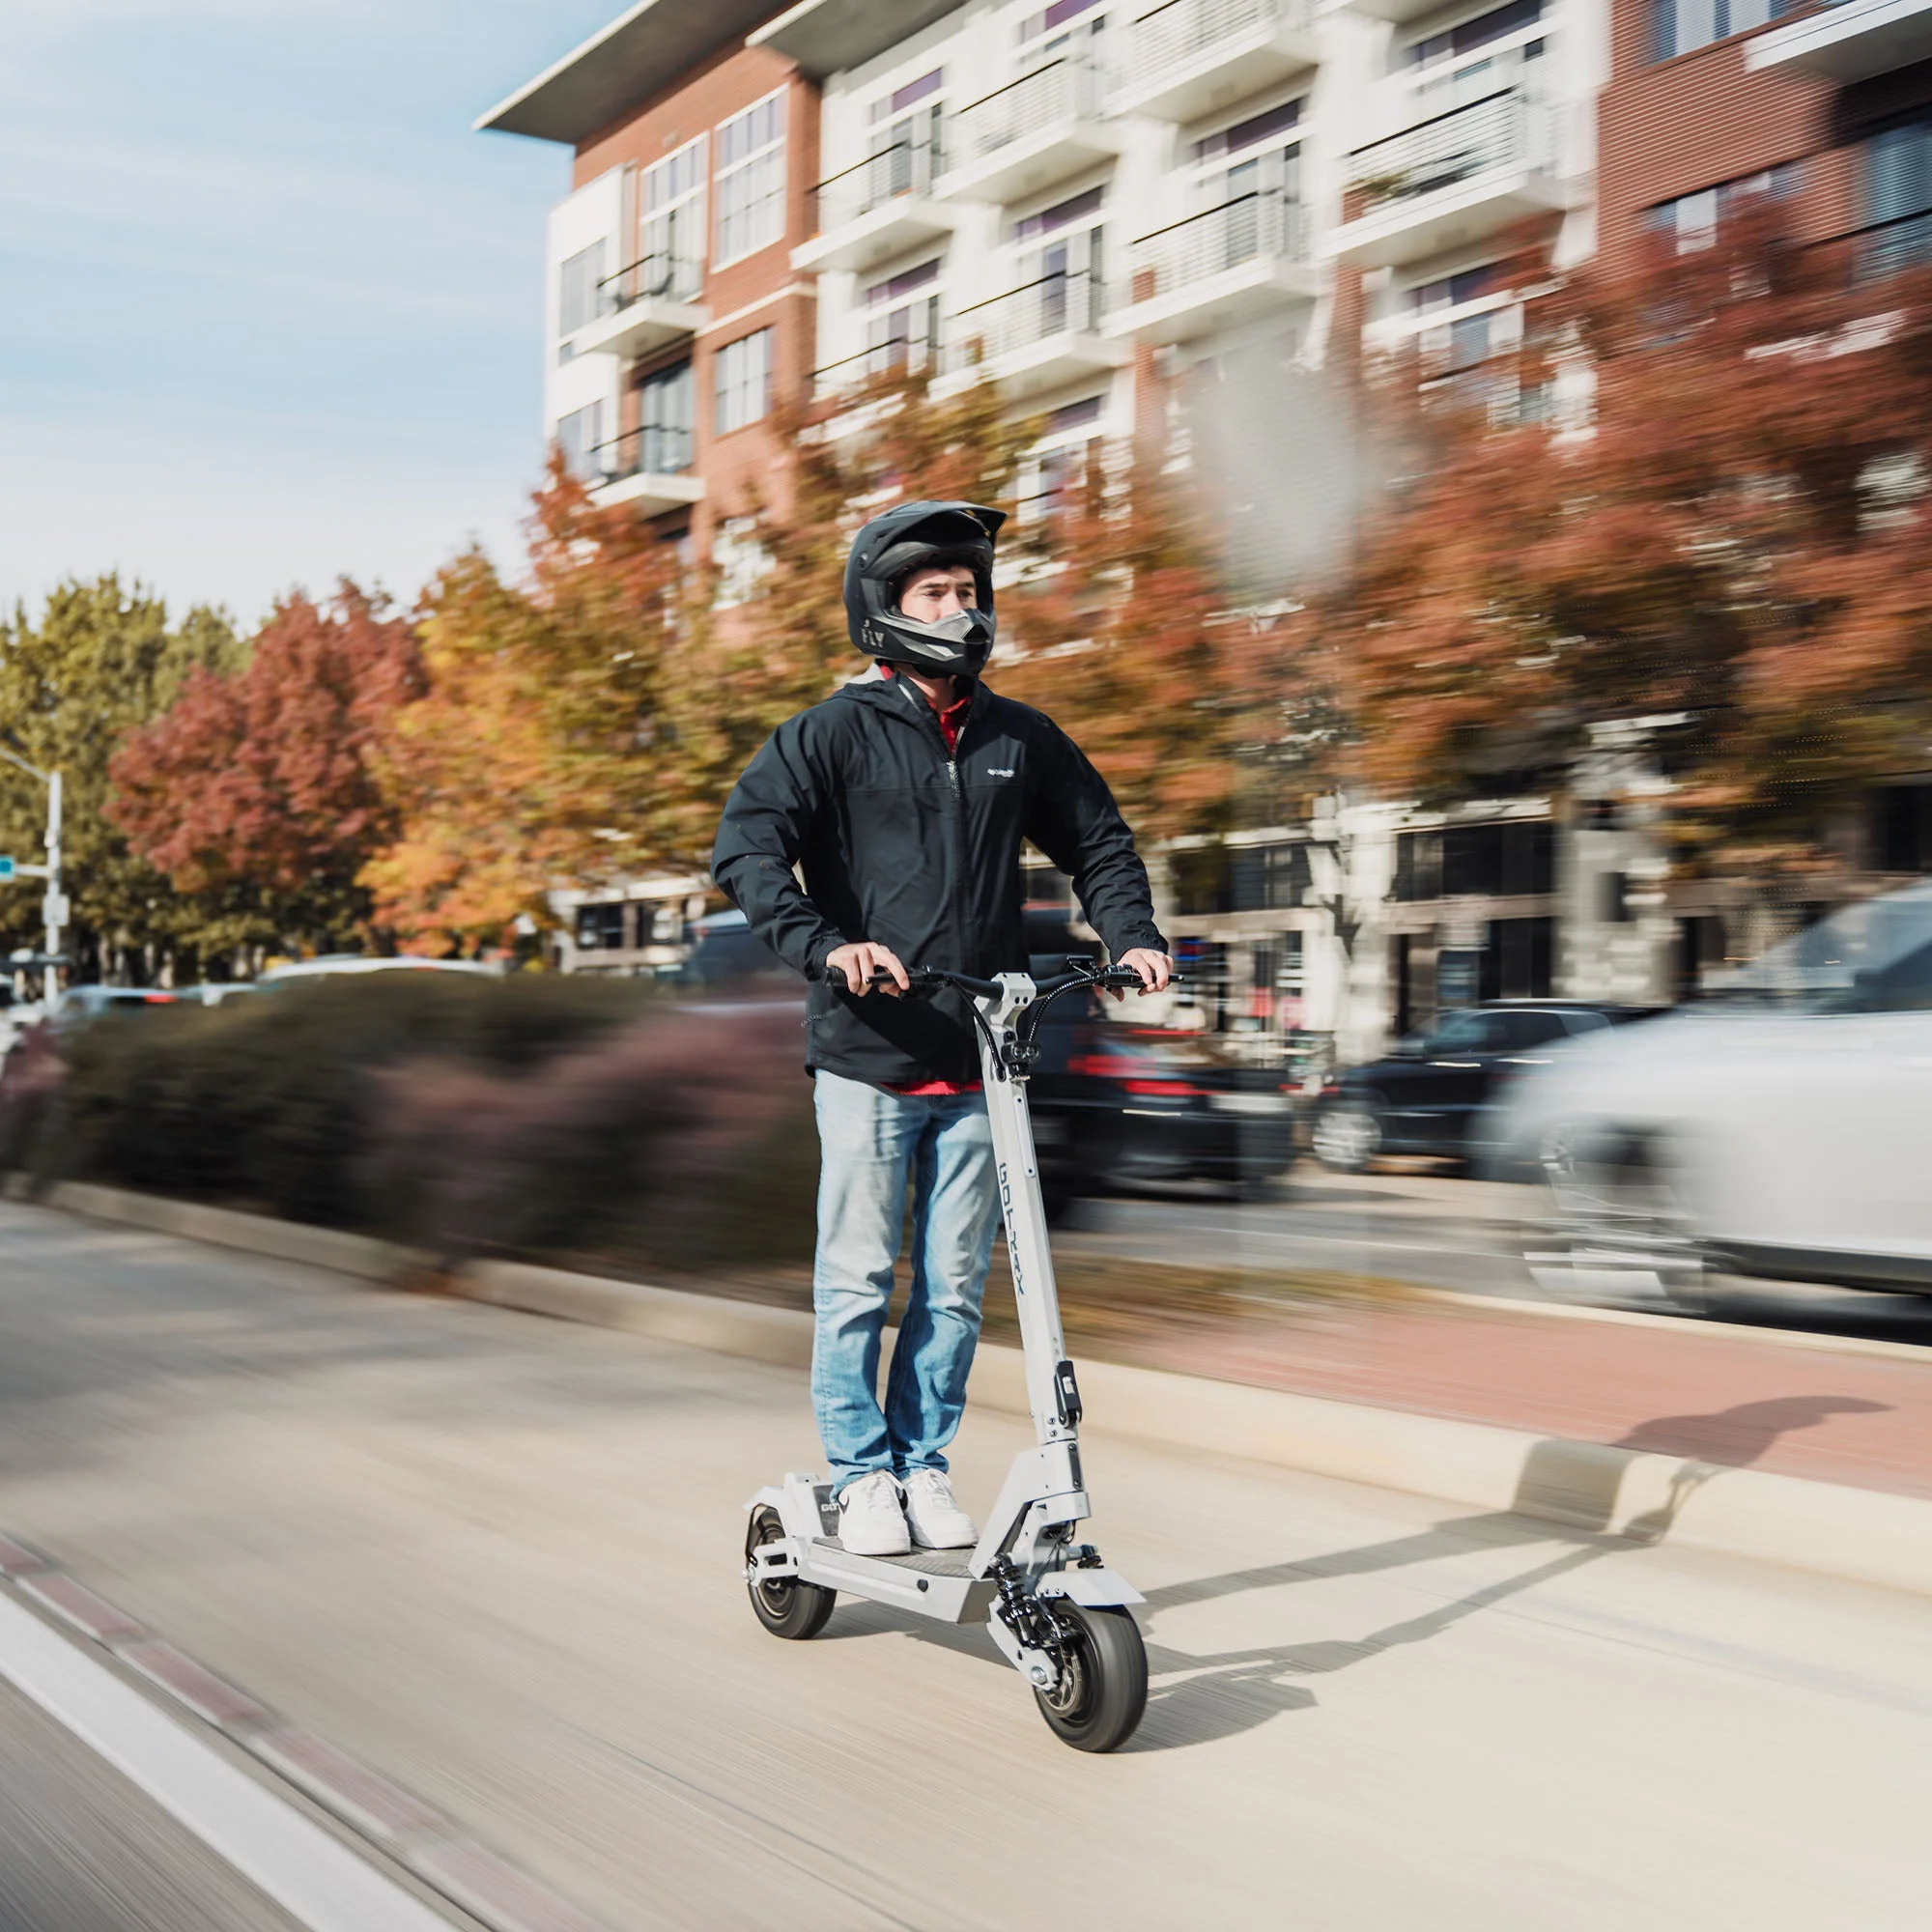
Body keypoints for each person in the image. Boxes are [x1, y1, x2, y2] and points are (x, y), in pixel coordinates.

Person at [711, 500, 1172, 1557]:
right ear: (884, 606)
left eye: (970, 592)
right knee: (861, 1278)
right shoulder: (827, 734)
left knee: (956, 1284)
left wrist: (1132, 931)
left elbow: (1099, 842)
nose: (961, 610)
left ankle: (923, 1465)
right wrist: (824, 943)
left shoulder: (1020, 738)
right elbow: (745, 849)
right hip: (869, 1057)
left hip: (979, 1058)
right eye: (937, 592)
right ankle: (859, 1472)